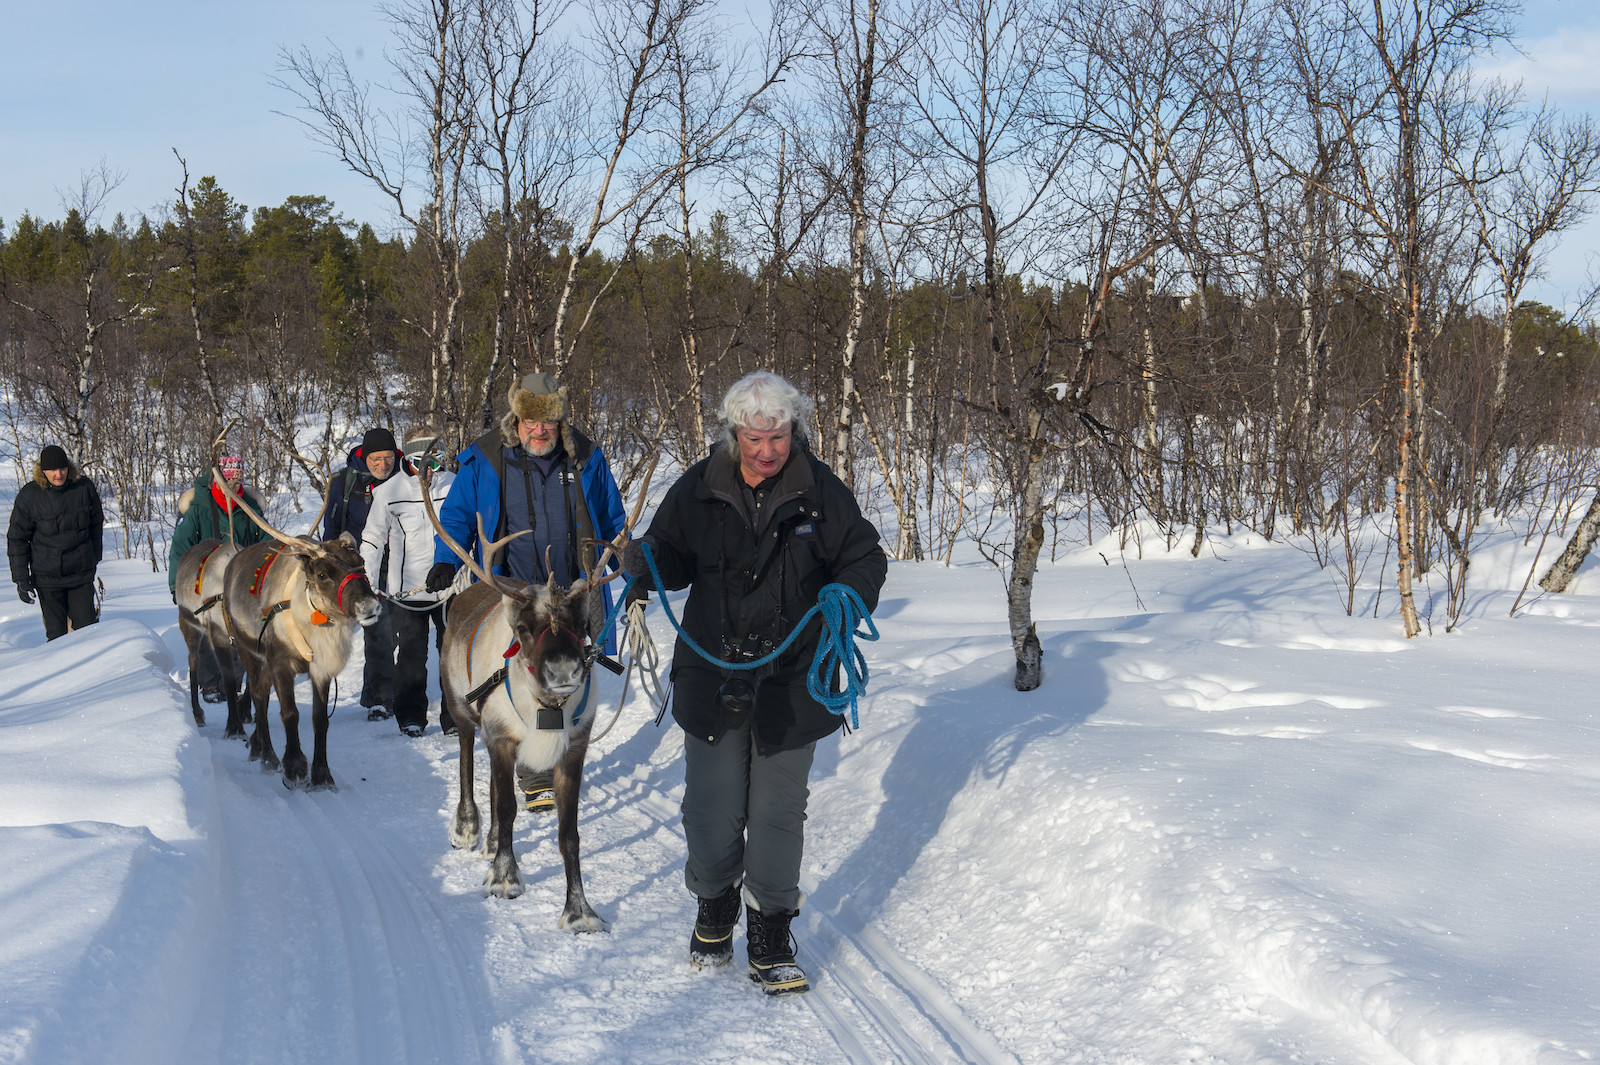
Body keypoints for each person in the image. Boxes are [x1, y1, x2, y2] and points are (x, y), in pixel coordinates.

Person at [621, 370, 887, 996]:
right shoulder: (700, 485)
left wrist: (849, 590)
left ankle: (771, 928)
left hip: (795, 678)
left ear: (796, 430)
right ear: (733, 432)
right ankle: (715, 904)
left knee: (776, 814)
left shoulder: (821, 490)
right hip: (712, 670)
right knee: (711, 811)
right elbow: (671, 552)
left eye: (780, 436)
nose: (768, 451)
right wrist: (645, 562)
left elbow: (865, 555)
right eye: (755, 438)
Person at [425, 372, 627, 808]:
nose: (539, 431)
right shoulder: (487, 458)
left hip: (573, 589)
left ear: (560, 422)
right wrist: (445, 558)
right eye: (530, 422)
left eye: (548, 423)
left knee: (566, 671)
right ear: (516, 420)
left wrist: (632, 569)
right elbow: (457, 512)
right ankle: (532, 766)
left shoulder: (587, 458)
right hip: (514, 589)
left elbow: (613, 521)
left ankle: (548, 756)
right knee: (527, 671)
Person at [362, 431, 457, 738]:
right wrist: (368, 582)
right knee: (412, 655)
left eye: (437, 461)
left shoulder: (454, 485)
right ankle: (411, 716)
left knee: (452, 652)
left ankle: (454, 716)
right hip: (408, 592)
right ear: (408, 460)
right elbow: (373, 540)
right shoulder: (390, 491)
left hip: (450, 588)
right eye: (421, 462)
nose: (430, 470)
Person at [167, 454, 272, 700]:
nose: (233, 488)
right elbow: (180, 549)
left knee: (238, 630)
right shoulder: (198, 510)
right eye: (228, 482)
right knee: (206, 629)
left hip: (240, 582)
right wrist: (175, 585)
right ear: (218, 481)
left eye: (238, 483)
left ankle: (232, 682)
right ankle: (210, 683)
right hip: (202, 582)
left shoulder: (250, 509)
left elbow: (266, 543)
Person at [326, 427, 400, 718]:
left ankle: (374, 692)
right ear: (364, 457)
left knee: (394, 633)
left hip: (398, 563)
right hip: (360, 569)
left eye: (388, 458)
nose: (383, 465)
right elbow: (331, 530)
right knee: (379, 630)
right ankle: (382, 695)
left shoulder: (405, 477)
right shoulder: (345, 483)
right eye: (376, 459)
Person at [8, 444, 106, 641]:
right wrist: (21, 578)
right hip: (47, 579)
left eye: (62, 468)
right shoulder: (30, 496)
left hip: (80, 574)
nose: (58, 474)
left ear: (68, 468)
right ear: (43, 471)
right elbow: (17, 539)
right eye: (52, 470)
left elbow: (96, 524)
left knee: (87, 633)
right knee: (56, 636)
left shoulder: (83, 487)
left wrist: (94, 557)